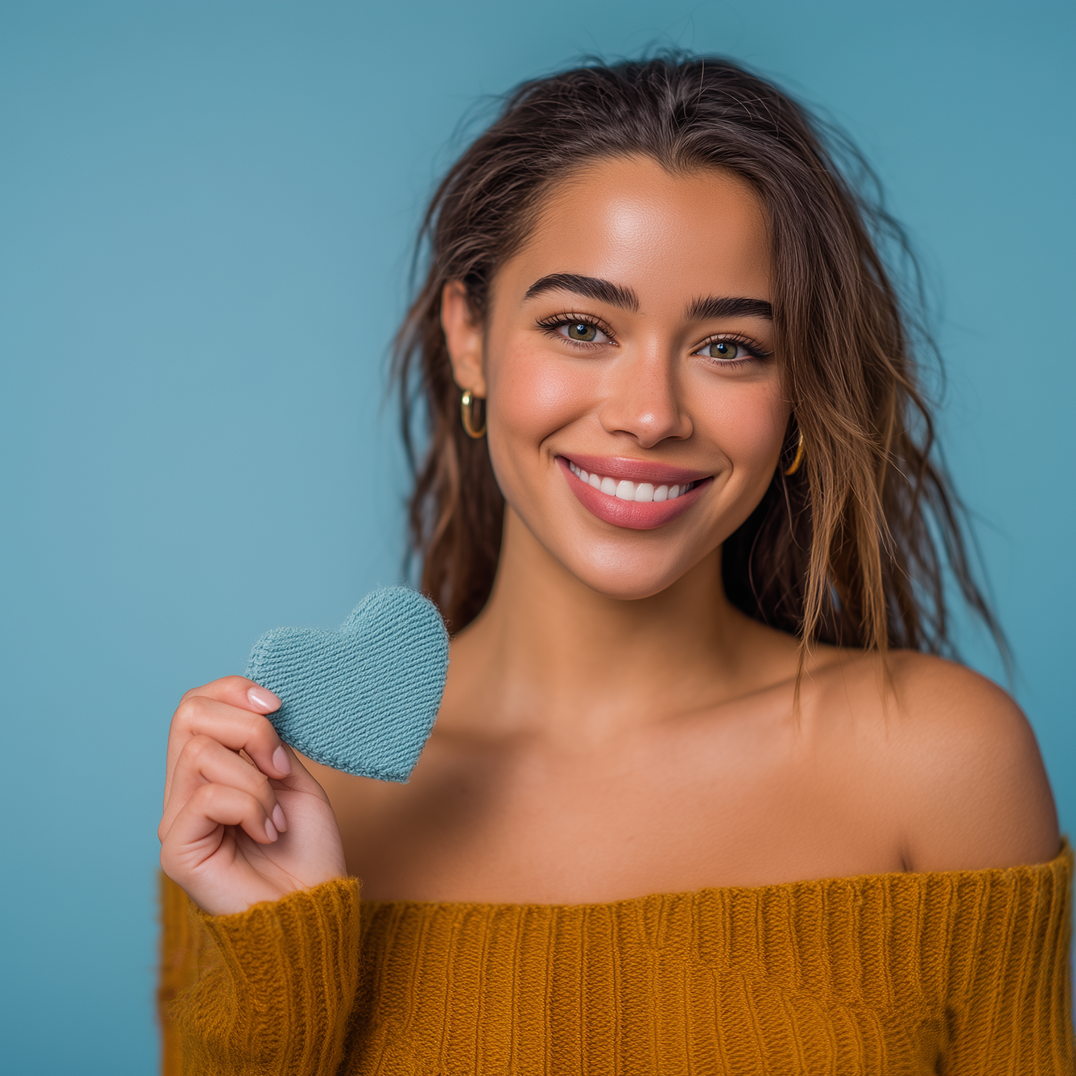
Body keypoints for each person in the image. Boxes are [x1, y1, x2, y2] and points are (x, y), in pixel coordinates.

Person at [157, 56, 1072, 1074]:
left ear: (800, 387)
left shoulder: (941, 764)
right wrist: (279, 968)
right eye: (580, 327)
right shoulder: (277, 798)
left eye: (729, 346)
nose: (649, 414)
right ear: (469, 337)